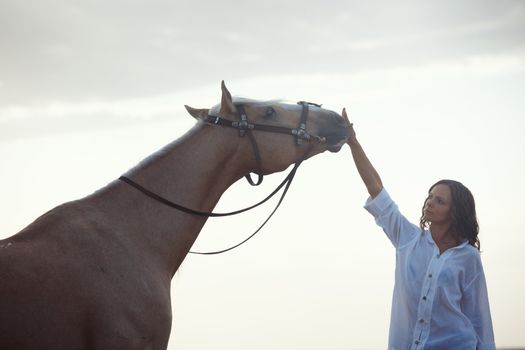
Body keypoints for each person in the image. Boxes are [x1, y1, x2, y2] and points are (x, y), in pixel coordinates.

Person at [342, 108, 496, 350]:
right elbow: (376, 189)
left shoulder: (469, 258)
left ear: (455, 212)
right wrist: (353, 143)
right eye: (430, 196)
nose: (430, 203)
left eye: (440, 201)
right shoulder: (407, 239)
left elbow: (480, 320)